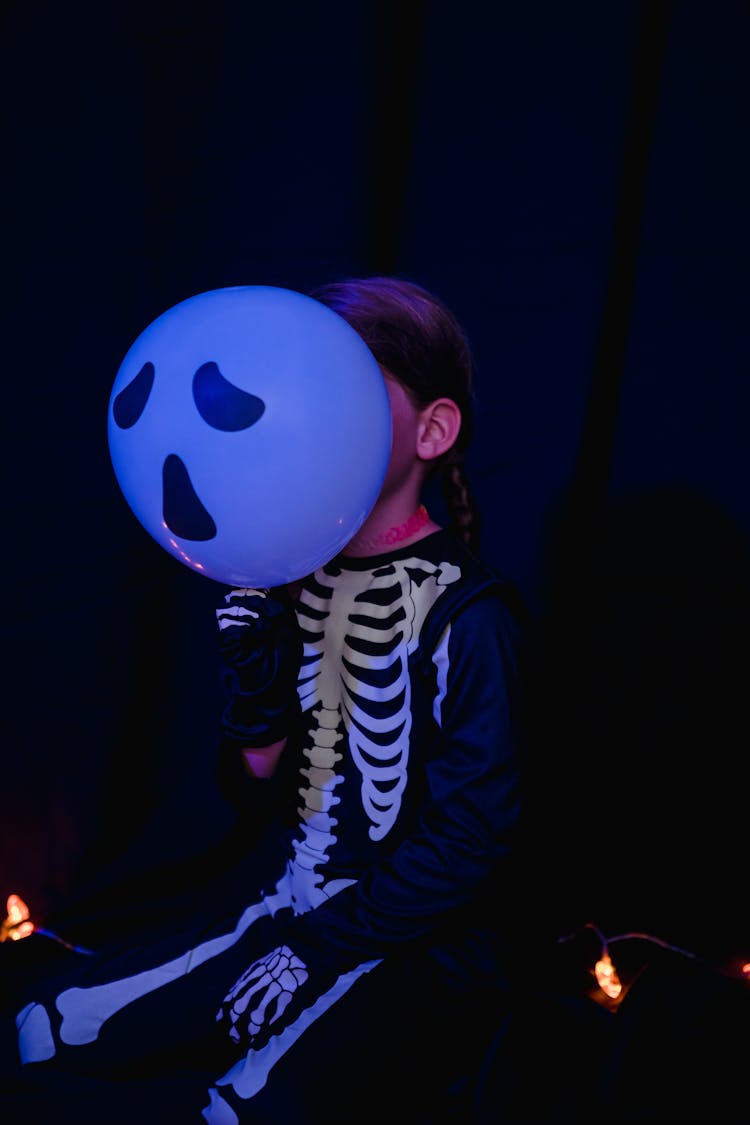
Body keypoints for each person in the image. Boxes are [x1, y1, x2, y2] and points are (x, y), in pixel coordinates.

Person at [11, 276, 528, 1123]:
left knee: (245, 1106)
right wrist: (256, 685)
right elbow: (255, 783)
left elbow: (472, 840)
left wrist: (320, 945)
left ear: (433, 429)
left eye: (350, 381)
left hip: (416, 939)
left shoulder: (474, 618)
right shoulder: (293, 567)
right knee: (45, 1026)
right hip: (291, 900)